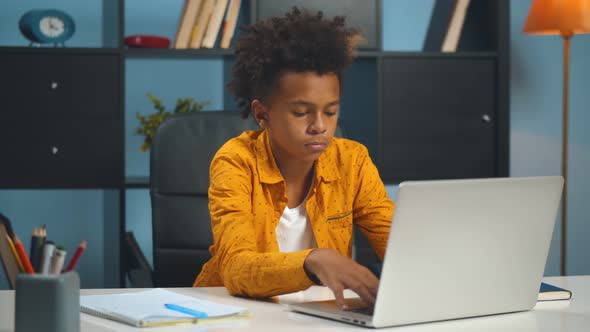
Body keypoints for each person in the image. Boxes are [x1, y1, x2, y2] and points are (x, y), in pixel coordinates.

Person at [193, 7, 394, 309]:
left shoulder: (352, 160)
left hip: (319, 314)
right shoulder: (236, 161)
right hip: (234, 314)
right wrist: (313, 261)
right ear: (263, 114)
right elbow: (236, 268)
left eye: (330, 111)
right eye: (301, 112)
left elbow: (397, 245)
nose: (320, 126)